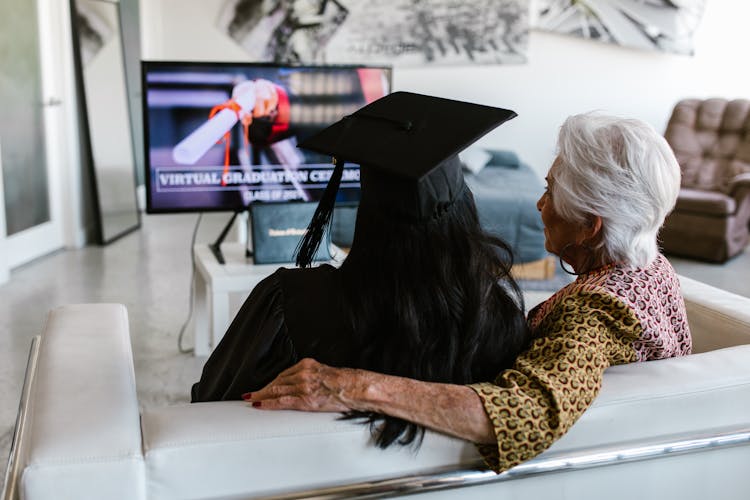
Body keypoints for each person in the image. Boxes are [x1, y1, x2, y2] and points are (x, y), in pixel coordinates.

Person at [246, 112, 693, 473]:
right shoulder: (654, 270)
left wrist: (348, 384)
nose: (541, 204)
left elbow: (530, 411)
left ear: (591, 224)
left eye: (550, 191)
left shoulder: (598, 313)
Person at [192, 91, 532, 448]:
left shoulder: (290, 302)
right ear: (465, 210)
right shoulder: (499, 323)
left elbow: (210, 404)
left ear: (368, 216)